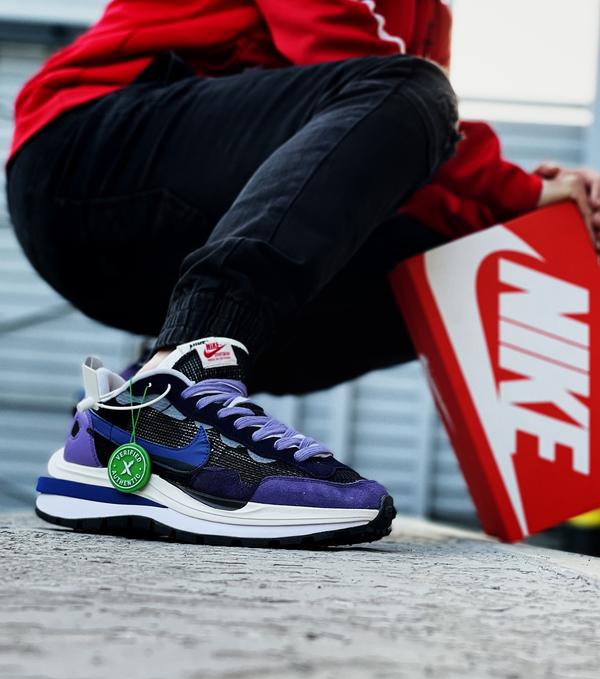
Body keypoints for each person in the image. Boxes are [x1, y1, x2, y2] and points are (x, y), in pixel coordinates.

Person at [6, 0, 600, 548]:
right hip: (91, 155)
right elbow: (350, 57)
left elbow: (389, 164)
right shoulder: (401, 60)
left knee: (440, 255)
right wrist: (521, 190)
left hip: (193, 210)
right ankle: (182, 386)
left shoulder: (430, 18)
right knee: (413, 92)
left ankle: (132, 422)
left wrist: (535, 211)